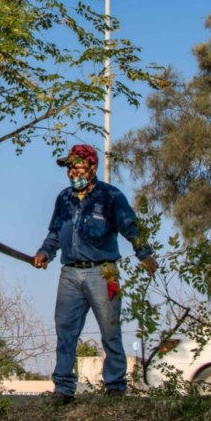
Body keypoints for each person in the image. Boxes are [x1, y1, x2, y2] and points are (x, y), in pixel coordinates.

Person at [33, 144, 158, 404]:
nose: (72, 172)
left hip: (104, 271)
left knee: (110, 330)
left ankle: (115, 387)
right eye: (70, 168)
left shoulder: (110, 196)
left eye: (78, 167)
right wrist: (45, 252)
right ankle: (63, 388)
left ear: (92, 168)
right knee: (65, 331)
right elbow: (55, 233)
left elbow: (130, 226)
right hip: (70, 273)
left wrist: (144, 253)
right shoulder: (64, 198)